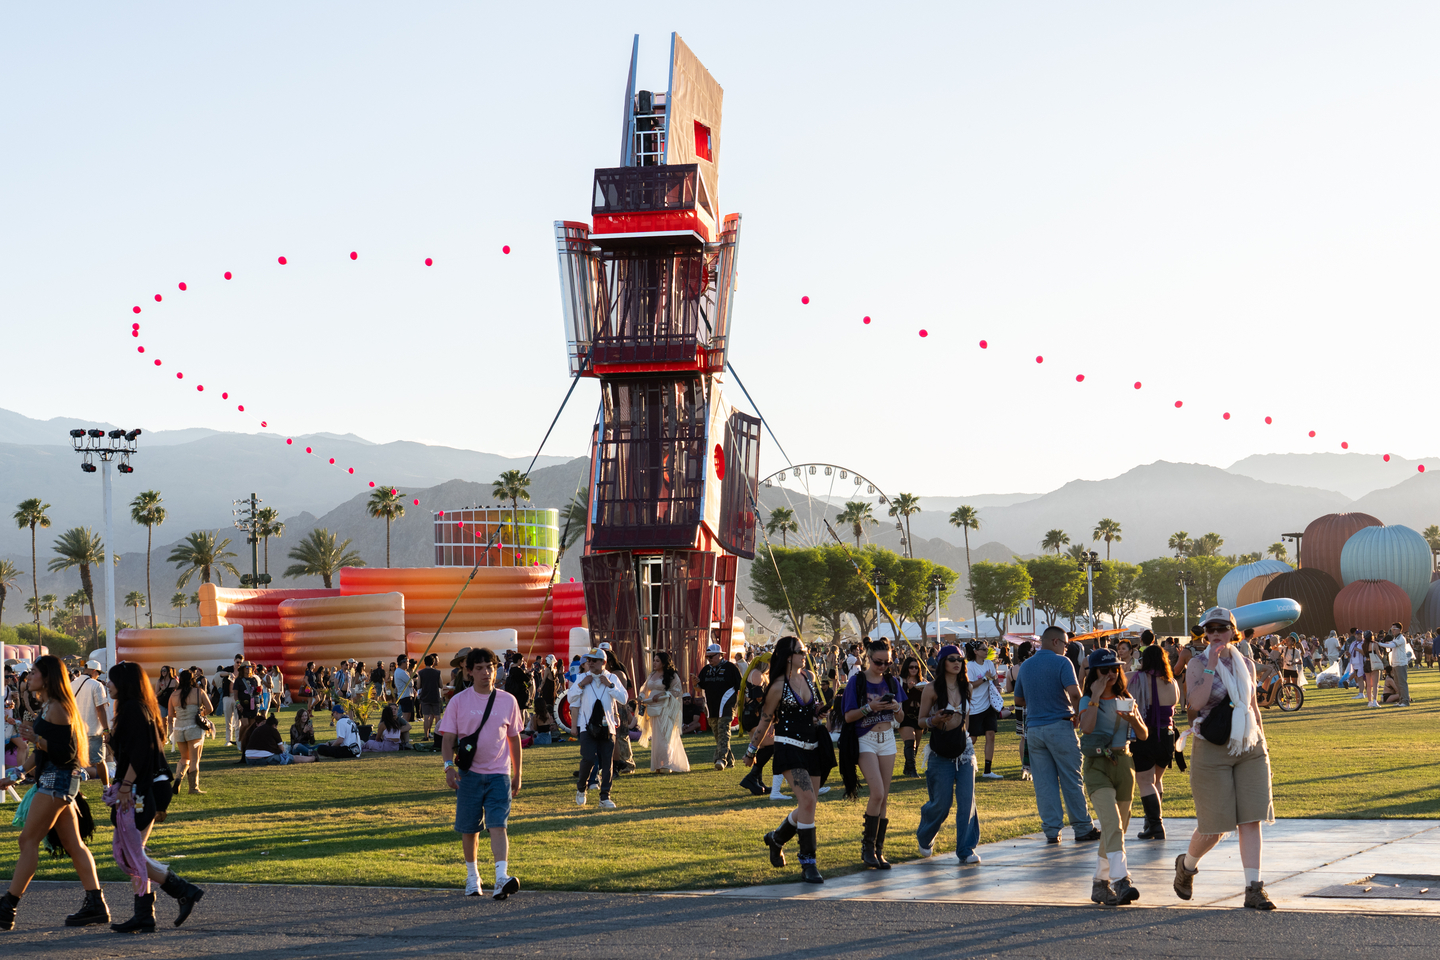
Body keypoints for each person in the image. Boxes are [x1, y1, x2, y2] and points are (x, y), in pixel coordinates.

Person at [1173, 607, 1276, 911]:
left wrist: (1262, 740)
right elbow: (1195, 704)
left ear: (1233, 632)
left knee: (1251, 817)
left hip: (1248, 744)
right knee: (1214, 827)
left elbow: (1252, 705)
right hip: (1212, 746)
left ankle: (1254, 888)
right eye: (1210, 630)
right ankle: (1187, 866)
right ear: (1204, 634)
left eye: (1222, 629)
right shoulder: (1197, 664)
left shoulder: (1245, 663)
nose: (1216, 634)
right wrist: (1212, 666)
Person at [0, 656, 110, 930]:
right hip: (55, 780)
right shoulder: (49, 705)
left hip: (57, 781)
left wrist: (36, 738)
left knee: (28, 840)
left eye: (34, 672)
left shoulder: (59, 708)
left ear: (47, 677)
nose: (29, 677)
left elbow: (66, 753)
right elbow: (42, 753)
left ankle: (7, 906)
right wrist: (17, 775)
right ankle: (96, 904)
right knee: (74, 845)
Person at [103, 661, 206, 932]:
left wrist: (125, 786)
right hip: (144, 785)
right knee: (130, 854)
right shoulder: (135, 709)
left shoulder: (133, 710)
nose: (107, 684)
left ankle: (180, 891)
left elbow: (141, 752)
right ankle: (147, 911)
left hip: (143, 787)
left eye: (111, 680)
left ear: (123, 684)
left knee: (130, 853)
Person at [743, 635, 833, 884]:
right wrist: (752, 752)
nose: (805, 655)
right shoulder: (777, 687)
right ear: (787, 655)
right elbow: (765, 720)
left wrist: (820, 711)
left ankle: (776, 838)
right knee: (807, 800)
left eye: (805, 651)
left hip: (812, 746)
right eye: (800, 651)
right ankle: (808, 862)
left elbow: (812, 710)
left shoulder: (809, 678)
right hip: (789, 748)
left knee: (809, 805)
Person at [440, 648, 524, 900]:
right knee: (470, 829)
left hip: (499, 773)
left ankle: (501, 878)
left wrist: (517, 774)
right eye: (479, 668)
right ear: (469, 671)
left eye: (490, 667)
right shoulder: (458, 701)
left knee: (499, 825)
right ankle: (472, 876)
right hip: (469, 775)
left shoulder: (508, 700)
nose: (486, 672)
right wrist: (448, 767)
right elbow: (448, 739)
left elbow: (514, 738)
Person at [1012, 626, 1101, 845]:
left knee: (1044, 783)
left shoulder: (1026, 665)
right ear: (1054, 642)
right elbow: (1073, 692)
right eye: (1065, 644)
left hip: (1034, 729)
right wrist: (1078, 712)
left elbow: (1018, 700)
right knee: (1071, 778)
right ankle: (1082, 827)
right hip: (1059, 725)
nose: (1066, 648)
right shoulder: (1062, 663)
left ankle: (1052, 831)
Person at [1079, 648, 1148, 906]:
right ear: (1094, 673)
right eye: (1104, 670)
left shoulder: (1125, 698)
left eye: (1114, 669)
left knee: (1115, 829)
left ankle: (1100, 884)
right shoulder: (1087, 701)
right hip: (1097, 765)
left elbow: (1143, 735)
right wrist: (1096, 696)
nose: (1110, 674)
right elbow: (1086, 728)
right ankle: (1122, 880)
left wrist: (1132, 718)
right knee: (1112, 824)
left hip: (1123, 763)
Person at [840, 637, 905, 869]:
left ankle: (878, 851)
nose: (883, 667)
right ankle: (867, 848)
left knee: (884, 797)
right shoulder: (856, 682)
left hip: (887, 739)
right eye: (879, 662)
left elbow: (901, 718)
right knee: (876, 793)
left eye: (887, 662)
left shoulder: (893, 682)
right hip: (864, 739)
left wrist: (896, 707)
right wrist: (870, 707)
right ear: (868, 658)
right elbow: (848, 716)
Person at [915, 644, 981, 865]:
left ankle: (966, 849)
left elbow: (967, 718)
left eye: (959, 659)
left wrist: (968, 736)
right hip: (939, 751)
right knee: (941, 804)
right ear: (942, 662)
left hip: (964, 752)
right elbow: (921, 721)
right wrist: (934, 720)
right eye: (951, 658)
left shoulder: (967, 687)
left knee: (967, 802)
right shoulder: (931, 689)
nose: (956, 662)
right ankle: (925, 835)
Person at [1129, 643, 1178, 840]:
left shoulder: (1137, 678)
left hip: (1146, 735)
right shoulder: (1171, 682)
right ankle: (1151, 821)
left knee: (1144, 781)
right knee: (1157, 780)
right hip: (1167, 736)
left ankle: (1156, 825)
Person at [568, 649, 625, 809]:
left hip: (607, 727)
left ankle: (605, 797)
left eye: (595, 660)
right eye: (589, 660)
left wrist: (611, 686)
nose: (590, 663)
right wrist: (580, 685)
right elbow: (570, 698)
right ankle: (581, 787)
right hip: (586, 726)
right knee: (588, 759)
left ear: (603, 663)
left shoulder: (612, 677)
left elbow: (623, 698)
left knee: (607, 763)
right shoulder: (582, 677)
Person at [638, 652, 690, 774]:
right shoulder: (652, 675)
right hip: (653, 708)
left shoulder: (672, 675)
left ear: (664, 662)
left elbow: (677, 691)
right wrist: (641, 697)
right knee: (656, 737)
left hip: (665, 708)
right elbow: (645, 688)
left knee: (664, 736)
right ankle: (658, 764)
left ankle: (667, 764)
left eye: (657, 661)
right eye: (654, 660)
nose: (654, 663)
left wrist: (662, 694)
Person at [696, 642, 743, 771]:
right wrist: (695, 684)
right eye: (707, 657)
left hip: (727, 706)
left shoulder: (731, 668)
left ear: (719, 655)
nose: (709, 660)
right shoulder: (706, 670)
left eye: (711, 657)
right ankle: (730, 759)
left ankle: (720, 759)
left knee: (724, 732)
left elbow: (740, 686)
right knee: (718, 735)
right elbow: (700, 688)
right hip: (712, 707)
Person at [167, 668, 213, 795]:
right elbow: (210, 708)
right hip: (194, 729)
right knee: (194, 759)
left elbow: (170, 715)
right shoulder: (199, 692)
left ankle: (177, 779)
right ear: (193, 679)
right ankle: (193, 788)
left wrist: (171, 729)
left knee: (184, 758)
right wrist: (200, 713)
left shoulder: (174, 695)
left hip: (179, 728)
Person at [737, 653, 778, 797]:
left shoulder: (758, 674)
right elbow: (759, 697)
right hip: (753, 715)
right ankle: (752, 777)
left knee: (763, 746)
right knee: (771, 745)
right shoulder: (757, 675)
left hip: (753, 714)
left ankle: (757, 781)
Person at [965, 642, 1004, 780]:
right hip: (975, 707)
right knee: (972, 739)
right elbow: (969, 685)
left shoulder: (989, 664)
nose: (986, 651)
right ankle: (961, 763)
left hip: (989, 706)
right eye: (983, 649)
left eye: (987, 649)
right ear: (975, 651)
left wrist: (997, 687)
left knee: (991, 735)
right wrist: (984, 679)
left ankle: (987, 770)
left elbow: (994, 680)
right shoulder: (970, 666)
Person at [70, 659, 112, 784]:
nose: (98, 676)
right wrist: (106, 729)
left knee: (75, 763)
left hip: (76, 729)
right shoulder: (96, 685)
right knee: (99, 761)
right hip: (93, 729)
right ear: (94, 671)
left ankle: (75, 790)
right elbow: (100, 709)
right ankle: (106, 787)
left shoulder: (72, 684)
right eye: (98, 673)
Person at [242, 715, 317, 766]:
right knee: (291, 757)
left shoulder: (256, 730)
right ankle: (313, 758)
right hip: (263, 758)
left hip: (248, 759)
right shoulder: (273, 730)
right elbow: (282, 749)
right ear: (274, 725)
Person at [896, 656, 924, 778]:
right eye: (911, 667)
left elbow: (924, 700)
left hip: (918, 715)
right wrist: (910, 689)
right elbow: (902, 699)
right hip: (904, 715)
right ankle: (913, 770)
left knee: (916, 744)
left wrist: (922, 689)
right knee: (910, 741)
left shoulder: (922, 682)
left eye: (916, 667)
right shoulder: (900, 682)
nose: (914, 669)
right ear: (906, 667)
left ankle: (907, 768)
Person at [231, 664, 262, 761]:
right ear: (242, 669)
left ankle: (249, 743)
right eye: (247, 667)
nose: (249, 669)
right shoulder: (238, 680)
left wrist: (258, 692)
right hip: (243, 705)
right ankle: (240, 741)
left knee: (252, 725)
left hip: (253, 705)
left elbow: (258, 692)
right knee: (245, 724)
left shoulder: (254, 679)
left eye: (250, 668)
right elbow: (235, 694)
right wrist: (237, 704)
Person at [1377, 622, 1412, 706]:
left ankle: (1405, 701)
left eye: (1394, 629)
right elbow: (1390, 644)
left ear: (1399, 630)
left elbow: (1392, 645)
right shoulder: (1396, 638)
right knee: (1398, 683)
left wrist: (1379, 644)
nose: (1392, 631)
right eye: (1391, 629)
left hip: (1401, 664)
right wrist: (1383, 643)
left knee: (1402, 683)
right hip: (1395, 664)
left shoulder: (1401, 638)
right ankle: (1401, 700)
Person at [417, 653, 444, 741]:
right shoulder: (437, 672)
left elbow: (418, 686)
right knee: (437, 716)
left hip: (425, 697)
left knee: (426, 717)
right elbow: (441, 685)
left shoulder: (421, 672)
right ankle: (438, 735)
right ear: (433, 663)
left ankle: (426, 736)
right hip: (435, 697)